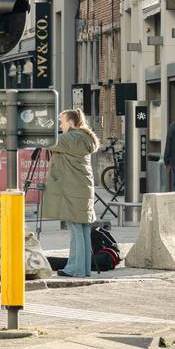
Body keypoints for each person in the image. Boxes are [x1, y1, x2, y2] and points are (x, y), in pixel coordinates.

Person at [42, 109, 99, 278]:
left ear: (71, 122)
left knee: (75, 229)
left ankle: (75, 269)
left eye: (61, 121)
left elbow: (47, 142)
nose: (60, 124)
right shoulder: (84, 137)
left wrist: (45, 127)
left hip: (73, 190)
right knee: (82, 229)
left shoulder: (70, 138)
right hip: (82, 188)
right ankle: (83, 268)